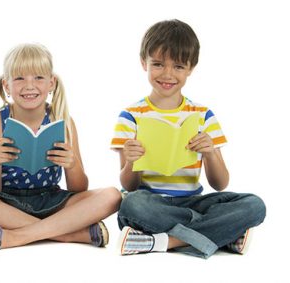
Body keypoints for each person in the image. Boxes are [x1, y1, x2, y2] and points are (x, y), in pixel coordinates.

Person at [112, 19, 266, 258]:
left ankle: (164, 242)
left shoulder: (203, 115)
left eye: (178, 67)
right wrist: (132, 161)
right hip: (151, 203)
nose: (167, 74)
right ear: (144, 63)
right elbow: (129, 185)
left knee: (255, 205)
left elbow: (220, 183)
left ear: (191, 68)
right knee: (132, 204)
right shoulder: (130, 116)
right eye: (158, 64)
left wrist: (211, 153)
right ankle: (220, 234)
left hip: (192, 200)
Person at [0, 43, 121, 252]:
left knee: (112, 195)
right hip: (9, 204)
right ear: (7, 86)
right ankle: (69, 234)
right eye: (19, 78)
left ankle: (18, 236)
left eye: (38, 77)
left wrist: (72, 165)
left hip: (52, 200)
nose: (30, 86)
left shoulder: (62, 119)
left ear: (51, 83)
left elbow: (78, 189)